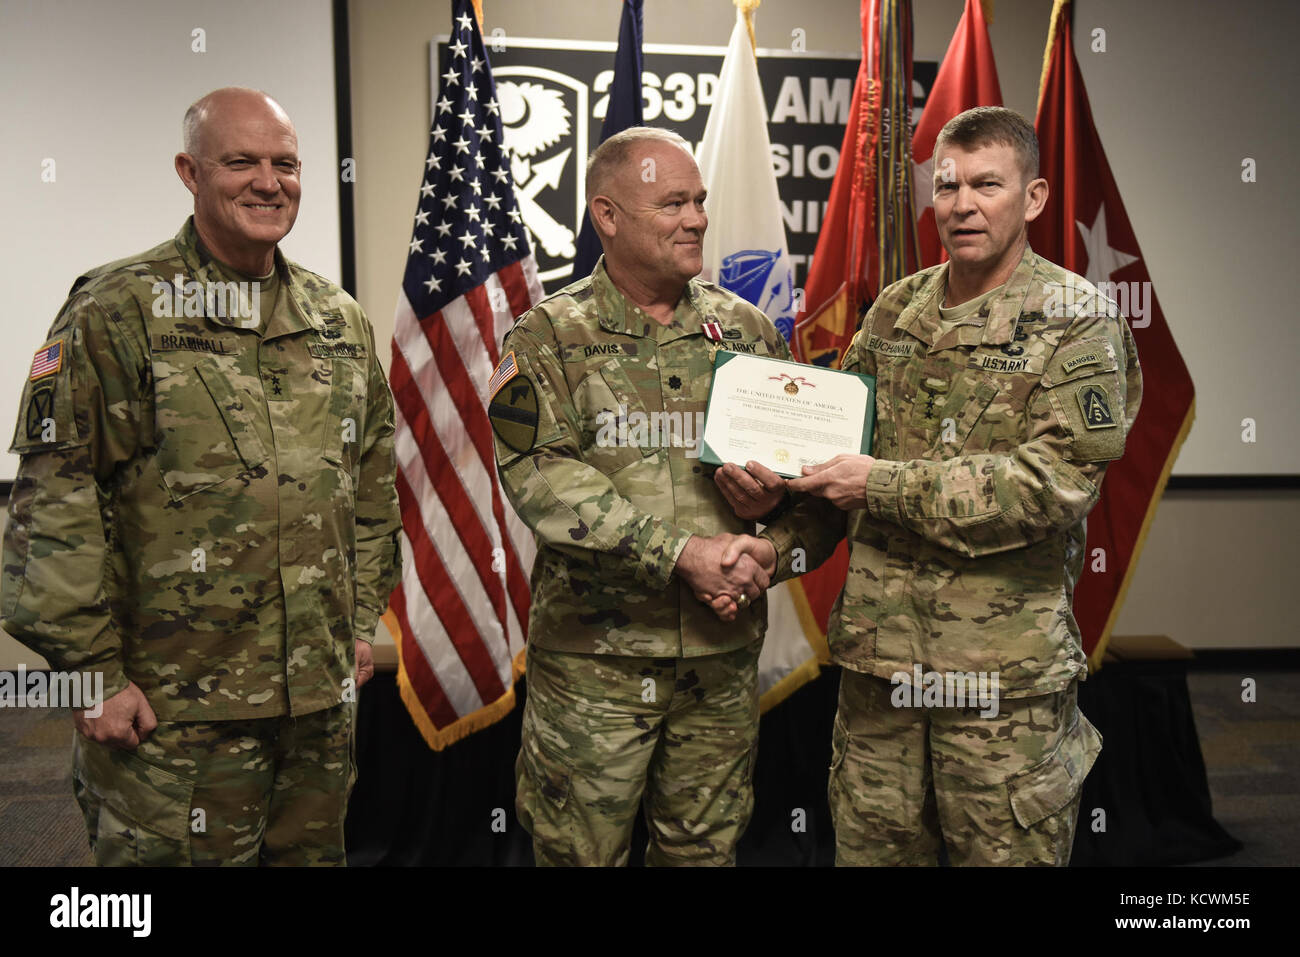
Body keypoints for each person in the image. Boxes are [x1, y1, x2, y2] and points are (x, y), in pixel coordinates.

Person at [712, 106, 1142, 865]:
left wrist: (880, 484)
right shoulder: (896, 310)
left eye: (986, 185)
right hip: (881, 678)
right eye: (947, 186)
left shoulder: (1078, 323)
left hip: (999, 686)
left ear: (1034, 197)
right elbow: (831, 468)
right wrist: (770, 543)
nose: (962, 205)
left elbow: (1050, 488)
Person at [1, 87, 401, 866]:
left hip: (314, 712)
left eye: (285, 163)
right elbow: (56, 501)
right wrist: (89, 674)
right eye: (241, 161)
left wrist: (357, 621)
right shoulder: (117, 310)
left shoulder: (337, 319)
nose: (268, 181)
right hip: (171, 717)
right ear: (190, 171)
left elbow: (373, 483)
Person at [490, 126, 798, 866]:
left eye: (698, 201)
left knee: (703, 853)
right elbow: (542, 478)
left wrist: (771, 548)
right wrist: (682, 554)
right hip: (598, 666)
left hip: (720, 663)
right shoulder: (547, 339)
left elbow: (809, 486)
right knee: (578, 855)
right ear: (608, 215)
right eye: (671, 204)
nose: (695, 218)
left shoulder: (749, 333)